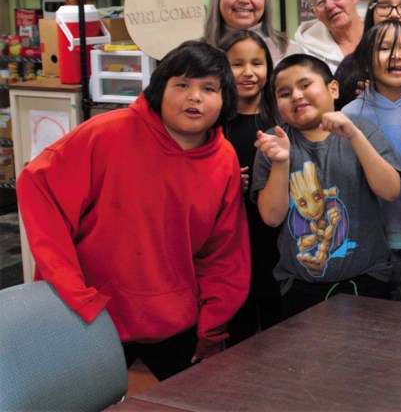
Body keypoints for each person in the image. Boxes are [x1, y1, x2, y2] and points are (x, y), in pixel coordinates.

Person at [18, 40, 249, 380]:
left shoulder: (224, 159)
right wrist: (71, 290)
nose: (195, 97)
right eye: (182, 85)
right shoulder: (106, 134)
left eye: (209, 88)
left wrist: (212, 326)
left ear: (225, 99)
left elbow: (224, 252)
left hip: (177, 320)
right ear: (160, 90)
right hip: (93, 315)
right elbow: (37, 187)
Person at [252, 53, 401, 320]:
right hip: (301, 286)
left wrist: (354, 136)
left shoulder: (363, 130)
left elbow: (390, 191)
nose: (296, 96)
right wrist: (280, 161)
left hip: (367, 278)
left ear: (333, 88)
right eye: (284, 93)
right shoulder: (274, 144)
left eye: (305, 85)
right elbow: (271, 217)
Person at [342, 20, 401, 303]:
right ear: (367, 61)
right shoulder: (350, 115)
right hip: (373, 245)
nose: (396, 55)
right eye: (384, 48)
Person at [219, 30, 282, 345]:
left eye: (257, 63)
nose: (248, 72)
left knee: (278, 325)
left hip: (275, 237)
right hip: (231, 239)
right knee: (238, 332)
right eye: (237, 64)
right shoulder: (216, 122)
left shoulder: (280, 119)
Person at [293, 0, 365, 73]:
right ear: (314, 12)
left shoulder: (382, 33)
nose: (330, 6)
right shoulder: (305, 51)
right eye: (320, 2)